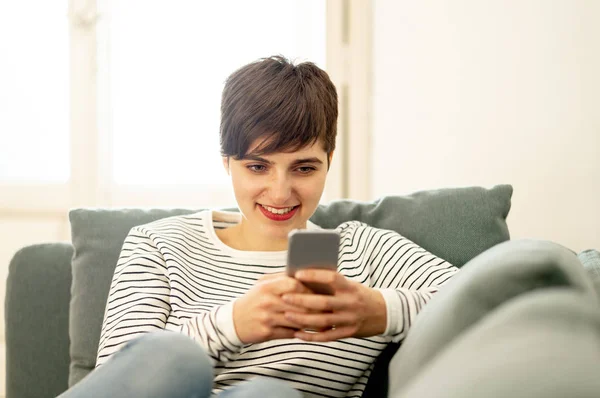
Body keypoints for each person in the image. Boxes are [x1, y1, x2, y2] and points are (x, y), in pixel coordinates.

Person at [59, 55, 459, 398]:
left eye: (303, 168)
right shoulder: (160, 244)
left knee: (265, 394)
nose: (280, 192)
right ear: (226, 163)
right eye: (257, 166)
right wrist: (234, 323)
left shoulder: (365, 253)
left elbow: (491, 295)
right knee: (173, 356)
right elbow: (123, 375)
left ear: (329, 161)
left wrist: (378, 311)